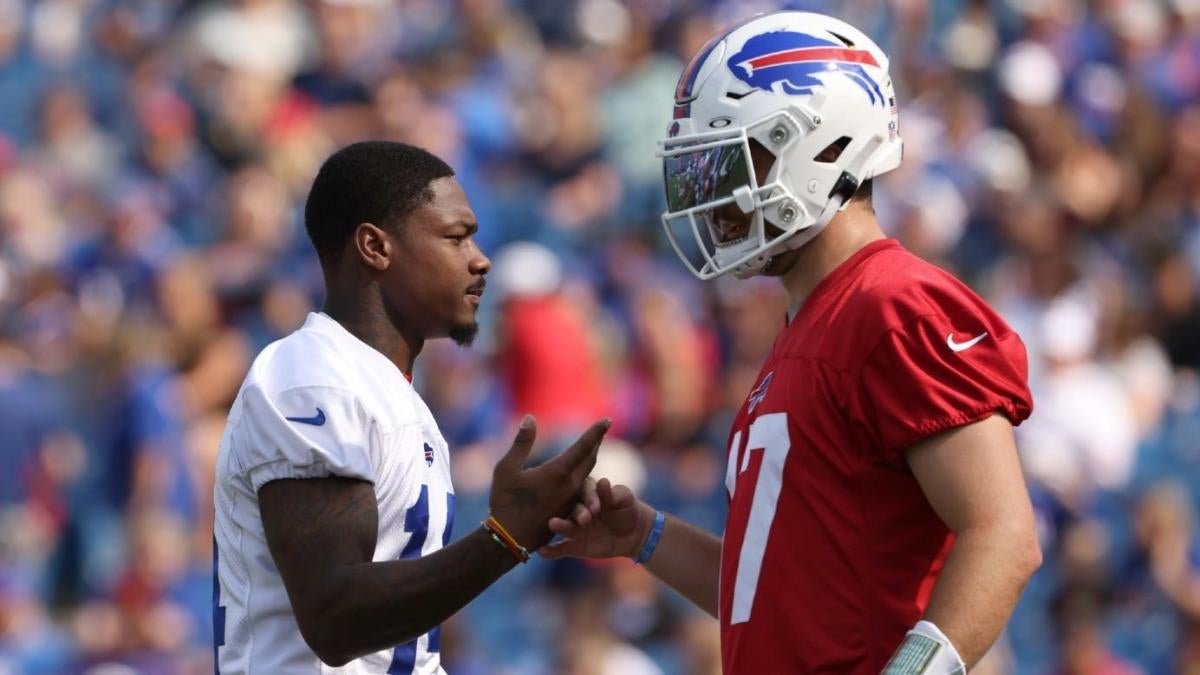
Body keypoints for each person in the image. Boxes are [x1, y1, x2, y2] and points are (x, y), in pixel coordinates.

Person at [542, 12, 1041, 674]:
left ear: (822, 147)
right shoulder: (811, 325)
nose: (715, 197)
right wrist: (644, 536)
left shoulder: (893, 304)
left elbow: (1003, 534)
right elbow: (779, 596)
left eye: (731, 162)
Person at [212, 141, 610, 674]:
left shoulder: (389, 391)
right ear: (376, 247)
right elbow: (335, 619)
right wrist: (503, 538)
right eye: (455, 236)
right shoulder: (313, 378)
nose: (480, 257)